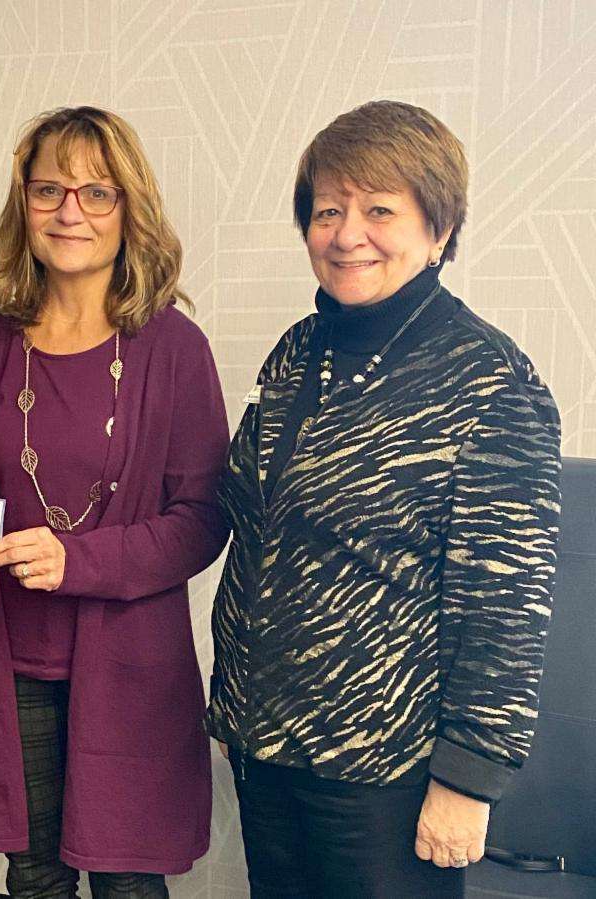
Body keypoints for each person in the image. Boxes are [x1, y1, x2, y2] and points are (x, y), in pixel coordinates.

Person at [207, 100, 562, 898]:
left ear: (439, 229)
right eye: (328, 210)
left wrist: (468, 779)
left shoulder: (488, 380)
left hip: (386, 771)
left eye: (378, 210)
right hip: (266, 746)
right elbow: (249, 517)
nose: (347, 234)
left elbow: (505, 603)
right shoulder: (297, 352)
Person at [0, 106, 229, 899]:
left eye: (97, 192)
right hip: (7, 666)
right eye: (49, 190)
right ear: (23, 205)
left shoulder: (175, 349)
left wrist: (77, 559)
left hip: (133, 670)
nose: (70, 212)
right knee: (33, 877)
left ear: (130, 210)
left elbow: (204, 519)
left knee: (127, 881)